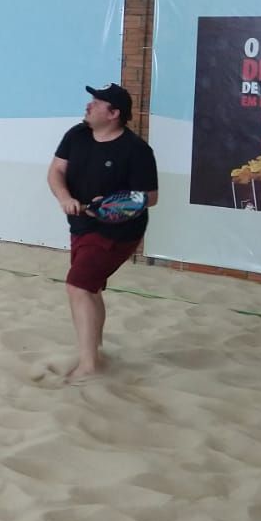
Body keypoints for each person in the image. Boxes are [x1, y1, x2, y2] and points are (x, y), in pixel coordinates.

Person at [46, 83, 158, 381]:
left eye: (96, 103)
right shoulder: (77, 135)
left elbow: (151, 197)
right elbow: (55, 171)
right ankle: (94, 350)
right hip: (82, 225)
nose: (88, 106)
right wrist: (65, 198)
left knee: (78, 286)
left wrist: (111, 206)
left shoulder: (136, 150)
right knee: (90, 287)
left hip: (118, 231)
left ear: (114, 113)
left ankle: (88, 366)